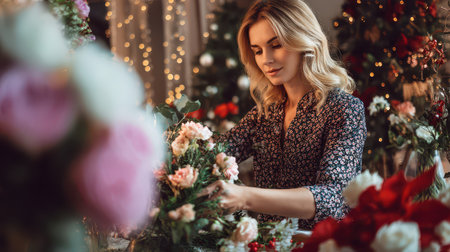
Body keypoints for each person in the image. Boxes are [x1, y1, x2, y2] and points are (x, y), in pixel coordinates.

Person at [201, 0, 367, 230]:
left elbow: (333, 198)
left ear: (303, 40)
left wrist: (245, 196)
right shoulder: (265, 114)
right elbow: (213, 156)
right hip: (268, 245)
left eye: (276, 45)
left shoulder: (344, 108)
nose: (265, 59)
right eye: (257, 50)